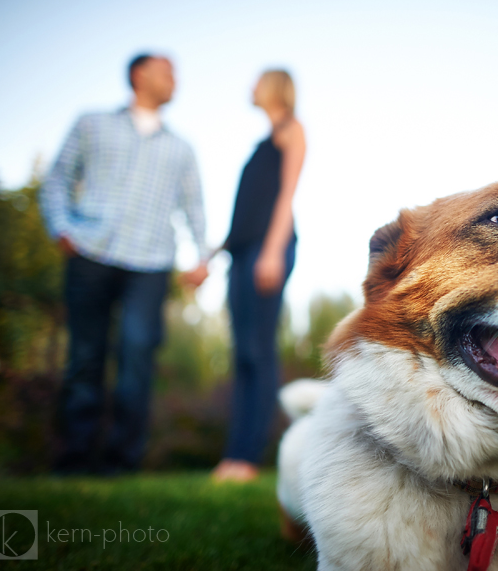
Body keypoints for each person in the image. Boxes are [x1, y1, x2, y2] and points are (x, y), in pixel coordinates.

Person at [40, 53, 210, 475]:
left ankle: (121, 463)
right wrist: (62, 228)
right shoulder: (91, 123)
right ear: (139, 75)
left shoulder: (181, 148)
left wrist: (202, 258)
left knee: (137, 355)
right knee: (85, 357)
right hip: (90, 253)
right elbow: (58, 178)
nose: (176, 80)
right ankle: (74, 459)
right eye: (168, 71)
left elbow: (195, 208)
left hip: (150, 264)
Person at [211, 69, 306, 482]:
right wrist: (211, 256)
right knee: (242, 356)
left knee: (259, 351)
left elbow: (287, 195)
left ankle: (247, 458)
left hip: (269, 248)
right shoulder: (260, 144)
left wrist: (271, 251)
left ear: (273, 87)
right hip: (242, 251)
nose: (249, 88)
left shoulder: (291, 129)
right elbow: (243, 215)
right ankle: (233, 456)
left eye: (256, 81)